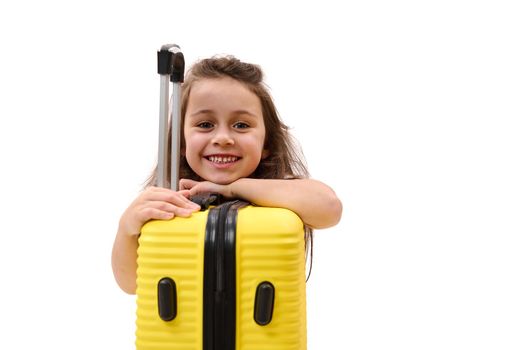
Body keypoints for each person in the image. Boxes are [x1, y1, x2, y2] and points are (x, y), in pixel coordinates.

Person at [112, 56, 342, 294]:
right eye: (205, 124)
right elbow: (132, 284)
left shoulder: (281, 195)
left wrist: (233, 188)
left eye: (241, 125)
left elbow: (329, 207)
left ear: (266, 143)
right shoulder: (169, 199)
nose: (222, 138)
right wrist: (126, 228)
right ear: (182, 141)